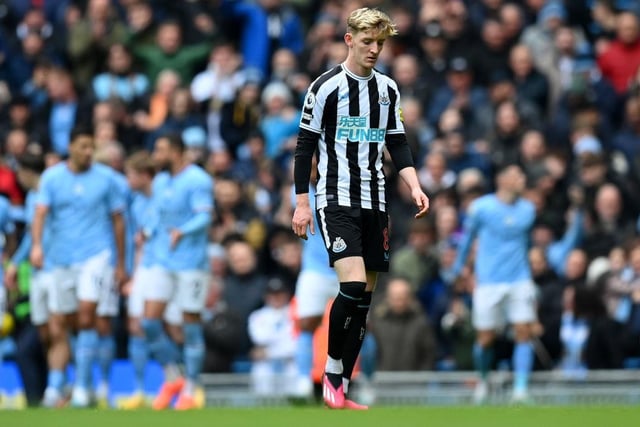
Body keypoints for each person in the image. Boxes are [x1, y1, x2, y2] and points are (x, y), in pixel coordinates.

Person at [291, 7, 429, 410]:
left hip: (376, 201)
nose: (374, 50)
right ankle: (333, 372)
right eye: (367, 42)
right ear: (349, 39)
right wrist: (302, 202)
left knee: (364, 302)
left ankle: (341, 387)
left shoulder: (387, 89)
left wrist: (415, 185)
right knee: (351, 288)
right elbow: (304, 148)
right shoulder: (325, 87)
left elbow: (397, 142)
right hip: (335, 198)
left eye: (380, 43)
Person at [30, 126, 127, 407]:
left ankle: (84, 386)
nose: (88, 153)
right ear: (70, 146)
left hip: (96, 256)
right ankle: (57, 385)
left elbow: (118, 221)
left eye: (91, 147)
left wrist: (120, 263)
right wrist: (37, 246)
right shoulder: (52, 178)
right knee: (60, 323)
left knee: (87, 315)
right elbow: (40, 214)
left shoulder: (107, 179)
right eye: (83, 146)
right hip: (60, 258)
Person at [450, 163, 537, 404]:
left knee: (523, 332)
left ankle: (521, 390)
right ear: (503, 180)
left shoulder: (528, 209)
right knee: (485, 338)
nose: (522, 180)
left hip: (520, 278)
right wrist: (458, 268)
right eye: (517, 175)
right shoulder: (481, 208)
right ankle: (483, 381)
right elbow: (467, 240)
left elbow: (527, 244)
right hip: (488, 280)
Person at [141, 133, 213, 410]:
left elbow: (204, 216)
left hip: (191, 264)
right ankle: (174, 375)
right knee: (149, 322)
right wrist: (146, 232)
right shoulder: (160, 181)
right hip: (162, 259)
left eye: (161, 148)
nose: (156, 154)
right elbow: (156, 214)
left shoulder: (197, 180)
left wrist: (182, 231)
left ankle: (192, 387)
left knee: (190, 323)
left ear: (177, 152)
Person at [116, 151, 157, 409]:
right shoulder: (137, 203)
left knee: (168, 326)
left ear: (143, 175)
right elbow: (137, 241)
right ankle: (140, 389)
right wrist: (132, 272)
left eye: (130, 175)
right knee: (136, 326)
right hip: (143, 269)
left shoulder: (162, 198)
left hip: (165, 268)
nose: (127, 180)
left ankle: (185, 382)